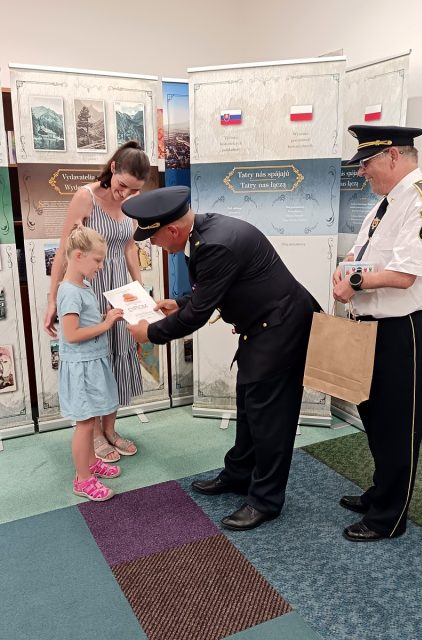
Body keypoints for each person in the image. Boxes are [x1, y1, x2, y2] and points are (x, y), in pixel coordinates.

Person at [122, 185, 320, 531]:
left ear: (172, 231)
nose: (153, 245)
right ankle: (239, 474)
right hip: (262, 327)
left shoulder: (214, 244)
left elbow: (198, 316)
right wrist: (180, 303)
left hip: (281, 329)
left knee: (271, 418)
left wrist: (149, 333)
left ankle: (266, 500)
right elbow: (211, 291)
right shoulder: (202, 233)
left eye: (153, 238)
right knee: (249, 405)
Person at [333, 125, 422, 541]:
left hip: (407, 330)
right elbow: (360, 255)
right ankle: (381, 492)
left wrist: (352, 283)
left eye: (366, 163)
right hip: (373, 327)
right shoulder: (386, 204)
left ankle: (388, 517)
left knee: (399, 425)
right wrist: (345, 272)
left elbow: (404, 276)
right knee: (375, 418)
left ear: (393, 156)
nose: (361, 171)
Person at [44, 141, 151, 463]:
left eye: (134, 190)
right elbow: (65, 250)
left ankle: (110, 429)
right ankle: (92, 435)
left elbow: (130, 247)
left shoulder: (131, 202)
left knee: (119, 354)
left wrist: (139, 290)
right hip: (90, 287)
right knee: (95, 360)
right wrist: (52, 299)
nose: (125, 194)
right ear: (113, 168)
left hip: (120, 289)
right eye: (122, 186)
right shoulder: (84, 197)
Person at [58, 225, 124, 501]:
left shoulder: (83, 286)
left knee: (92, 417)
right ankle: (83, 479)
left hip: (92, 362)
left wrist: (104, 319)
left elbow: (84, 325)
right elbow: (71, 335)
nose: (101, 266)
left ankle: (91, 464)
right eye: (97, 260)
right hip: (81, 366)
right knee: (85, 424)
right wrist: (106, 324)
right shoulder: (69, 291)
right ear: (78, 256)